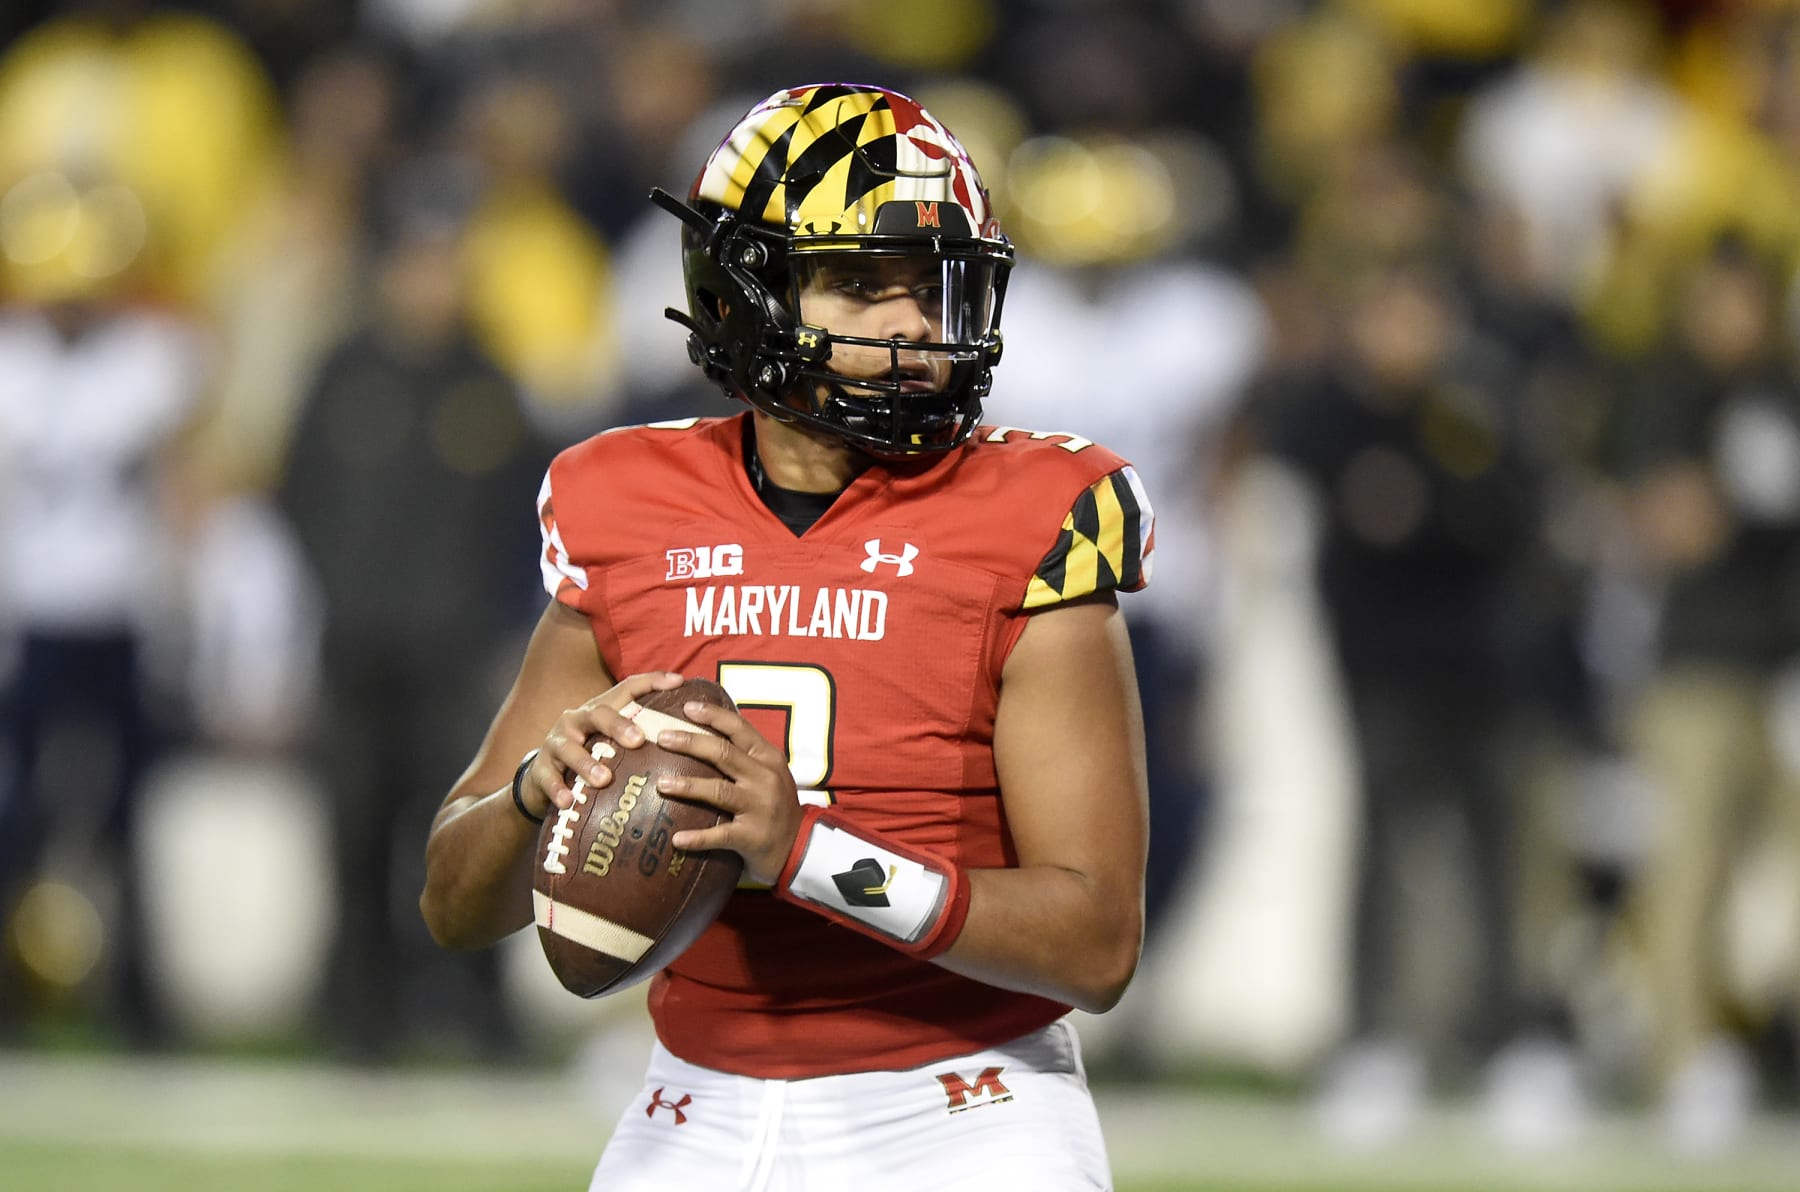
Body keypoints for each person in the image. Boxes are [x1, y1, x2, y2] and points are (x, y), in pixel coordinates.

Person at [419, 83, 1155, 1188]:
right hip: (693, 1102)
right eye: (860, 285)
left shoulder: (1036, 509)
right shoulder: (623, 499)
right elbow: (451, 903)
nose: (911, 323)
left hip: (964, 1106)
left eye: (930, 285)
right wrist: (537, 789)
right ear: (745, 291)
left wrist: (807, 851)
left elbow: (1097, 942)